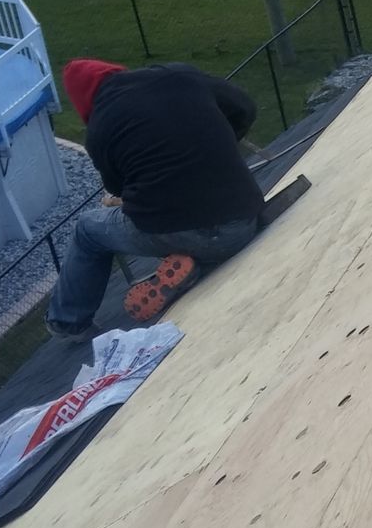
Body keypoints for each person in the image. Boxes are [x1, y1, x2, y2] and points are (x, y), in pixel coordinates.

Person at [47, 59, 265, 341]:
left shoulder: (100, 129)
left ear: (83, 104)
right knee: (178, 213)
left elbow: (118, 188)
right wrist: (217, 145)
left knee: (88, 228)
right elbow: (244, 107)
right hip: (244, 217)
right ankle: (195, 259)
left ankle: (68, 323)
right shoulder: (179, 75)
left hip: (188, 232)